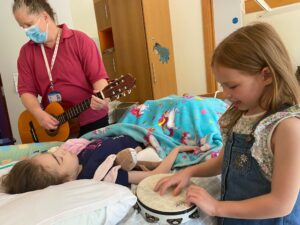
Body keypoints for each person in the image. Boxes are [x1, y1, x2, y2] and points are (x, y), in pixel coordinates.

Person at [155, 22, 300, 224]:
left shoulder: (288, 128)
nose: (225, 94)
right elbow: (222, 162)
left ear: (266, 75)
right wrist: (188, 171)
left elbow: (281, 203)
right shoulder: (242, 114)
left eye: (232, 85)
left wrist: (216, 207)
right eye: (223, 85)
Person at [13, 0, 109, 136]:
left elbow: (99, 79)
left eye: (28, 24)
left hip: (92, 122)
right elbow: (26, 91)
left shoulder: (81, 40)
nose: (27, 31)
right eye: (22, 27)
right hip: (57, 127)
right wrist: (39, 114)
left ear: (45, 16)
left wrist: (102, 99)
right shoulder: (26, 52)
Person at [1, 134, 198, 194]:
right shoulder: (98, 176)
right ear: (67, 180)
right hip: (146, 139)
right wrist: (176, 150)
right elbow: (155, 175)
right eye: (58, 158)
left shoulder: (78, 156)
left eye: (52, 152)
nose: (60, 150)